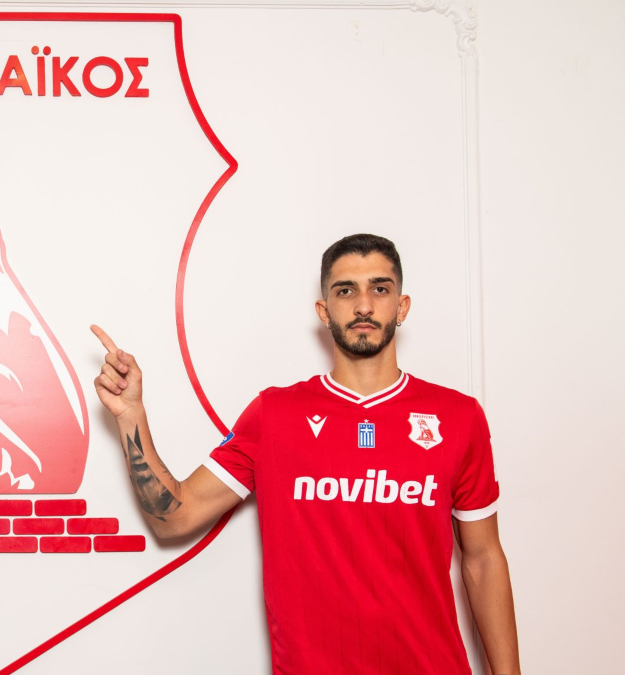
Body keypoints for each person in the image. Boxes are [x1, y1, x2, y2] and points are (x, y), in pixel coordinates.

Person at [91, 234, 520, 675]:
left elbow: (484, 559)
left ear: (402, 306)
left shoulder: (458, 417)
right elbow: (174, 517)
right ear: (324, 311)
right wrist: (131, 416)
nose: (364, 306)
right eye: (345, 291)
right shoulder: (274, 415)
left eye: (380, 288)